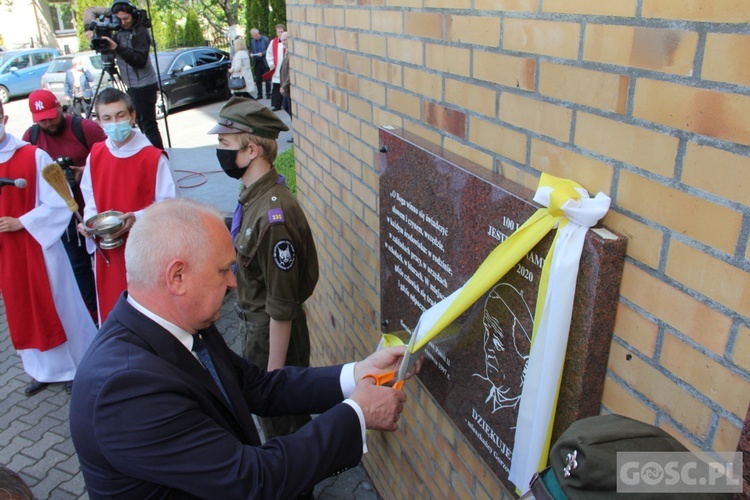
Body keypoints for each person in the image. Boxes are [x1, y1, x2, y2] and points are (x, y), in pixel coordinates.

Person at [69, 197, 417, 498]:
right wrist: (357, 414)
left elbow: (256, 386)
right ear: (177, 278)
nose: (233, 282)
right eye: (224, 271)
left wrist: (360, 373)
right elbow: (251, 481)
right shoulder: (126, 390)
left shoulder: (184, 323)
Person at [210, 96, 317, 441]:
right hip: (257, 331)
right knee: (274, 426)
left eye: (225, 144)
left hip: (271, 336)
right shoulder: (253, 197)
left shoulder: (274, 217)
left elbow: (282, 306)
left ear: (252, 149)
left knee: (283, 430)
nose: (220, 151)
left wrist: (273, 377)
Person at [0, 100, 97, 396]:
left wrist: (23, 222)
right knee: (21, 308)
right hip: (7, 251)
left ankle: (76, 365)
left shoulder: (33, 156)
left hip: (38, 246)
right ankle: (41, 369)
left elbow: (61, 200)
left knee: (59, 304)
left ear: (3, 119)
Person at [78, 87, 176, 325]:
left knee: (148, 316)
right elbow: (89, 195)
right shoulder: (96, 154)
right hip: (108, 252)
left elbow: (170, 205)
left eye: (120, 115)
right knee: (113, 312)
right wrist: (89, 222)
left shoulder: (152, 157)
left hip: (144, 252)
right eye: (107, 118)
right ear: (99, 122)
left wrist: (138, 217)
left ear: (132, 116)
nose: (115, 123)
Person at [22, 89, 107, 321]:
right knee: (78, 269)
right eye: (42, 120)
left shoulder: (84, 128)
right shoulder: (30, 138)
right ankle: (94, 318)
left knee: (107, 263)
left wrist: (84, 172)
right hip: (64, 220)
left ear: (60, 107)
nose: (48, 123)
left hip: (94, 209)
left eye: (51, 115)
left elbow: (112, 159)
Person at [84, 0, 164, 149]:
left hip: (144, 85)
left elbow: (139, 61)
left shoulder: (140, 32)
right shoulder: (119, 31)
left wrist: (117, 47)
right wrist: (89, 29)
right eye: (119, 19)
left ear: (132, 15)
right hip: (131, 85)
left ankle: (159, 158)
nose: (123, 22)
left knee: (148, 125)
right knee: (138, 123)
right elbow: (91, 10)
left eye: (126, 18)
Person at [265, 24, 286, 111]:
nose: (280, 33)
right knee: (276, 86)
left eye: (281, 31)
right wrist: (271, 63)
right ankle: (276, 104)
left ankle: (284, 103)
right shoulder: (273, 42)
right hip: (276, 68)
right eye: (278, 32)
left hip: (284, 67)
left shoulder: (287, 40)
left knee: (284, 85)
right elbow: (268, 54)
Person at [250, 28, 271, 100]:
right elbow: (252, 50)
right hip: (257, 62)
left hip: (264, 61)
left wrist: (262, 53)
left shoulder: (265, 39)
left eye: (255, 35)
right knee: (258, 79)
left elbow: (269, 50)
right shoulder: (253, 41)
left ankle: (268, 94)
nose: (254, 37)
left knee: (267, 78)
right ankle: (259, 94)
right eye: (252, 35)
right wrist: (252, 54)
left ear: (258, 33)